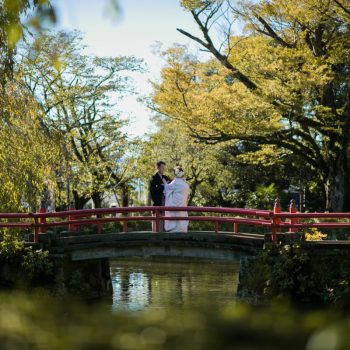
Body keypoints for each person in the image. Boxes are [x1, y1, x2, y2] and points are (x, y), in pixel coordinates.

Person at [164, 165, 190, 232]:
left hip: (175, 203)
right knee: (182, 216)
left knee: (175, 217)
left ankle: (175, 230)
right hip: (183, 203)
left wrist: (165, 184)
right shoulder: (185, 183)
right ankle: (182, 230)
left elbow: (167, 188)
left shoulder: (175, 182)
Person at [149, 161, 171, 231]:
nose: (163, 169)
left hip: (166, 204)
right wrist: (163, 186)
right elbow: (153, 191)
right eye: (162, 167)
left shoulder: (166, 177)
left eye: (164, 167)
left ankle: (163, 238)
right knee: (156, 224)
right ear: (157, 167)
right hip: (158, 203)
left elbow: (172, 185)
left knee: (164, 223)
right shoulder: (153, 178)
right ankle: (155, 238)